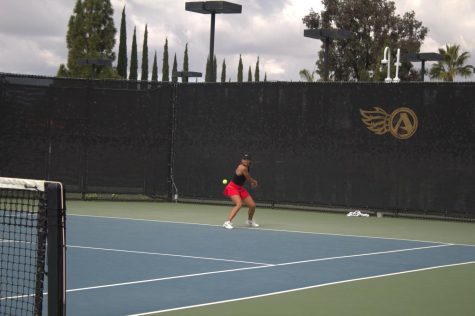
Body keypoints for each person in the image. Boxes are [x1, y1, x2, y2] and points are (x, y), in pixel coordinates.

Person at [223, 153, 259, 229]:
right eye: (244, 159)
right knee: (239, 204)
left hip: (240, 188)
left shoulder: (247, 167)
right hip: (232, 187)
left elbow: (247, 178)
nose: (245, 161)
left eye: (247, 159)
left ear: (250, 161)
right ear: (241, 160)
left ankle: (249, 221)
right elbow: (248, 178)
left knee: (252, 205)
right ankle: (227, 222)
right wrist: (254, 182)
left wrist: (252, 182)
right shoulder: (242, 167)